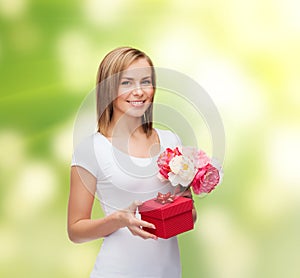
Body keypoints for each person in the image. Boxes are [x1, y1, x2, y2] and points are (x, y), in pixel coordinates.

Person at [67, 46, 197, 278]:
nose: (139, 91)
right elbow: (76, 230)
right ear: (108, 89)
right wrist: (118, 220)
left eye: (145, 81)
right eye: (126, 82)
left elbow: (189, 215)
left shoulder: (170, 141)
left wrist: (186, 205)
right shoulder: (91, 149)